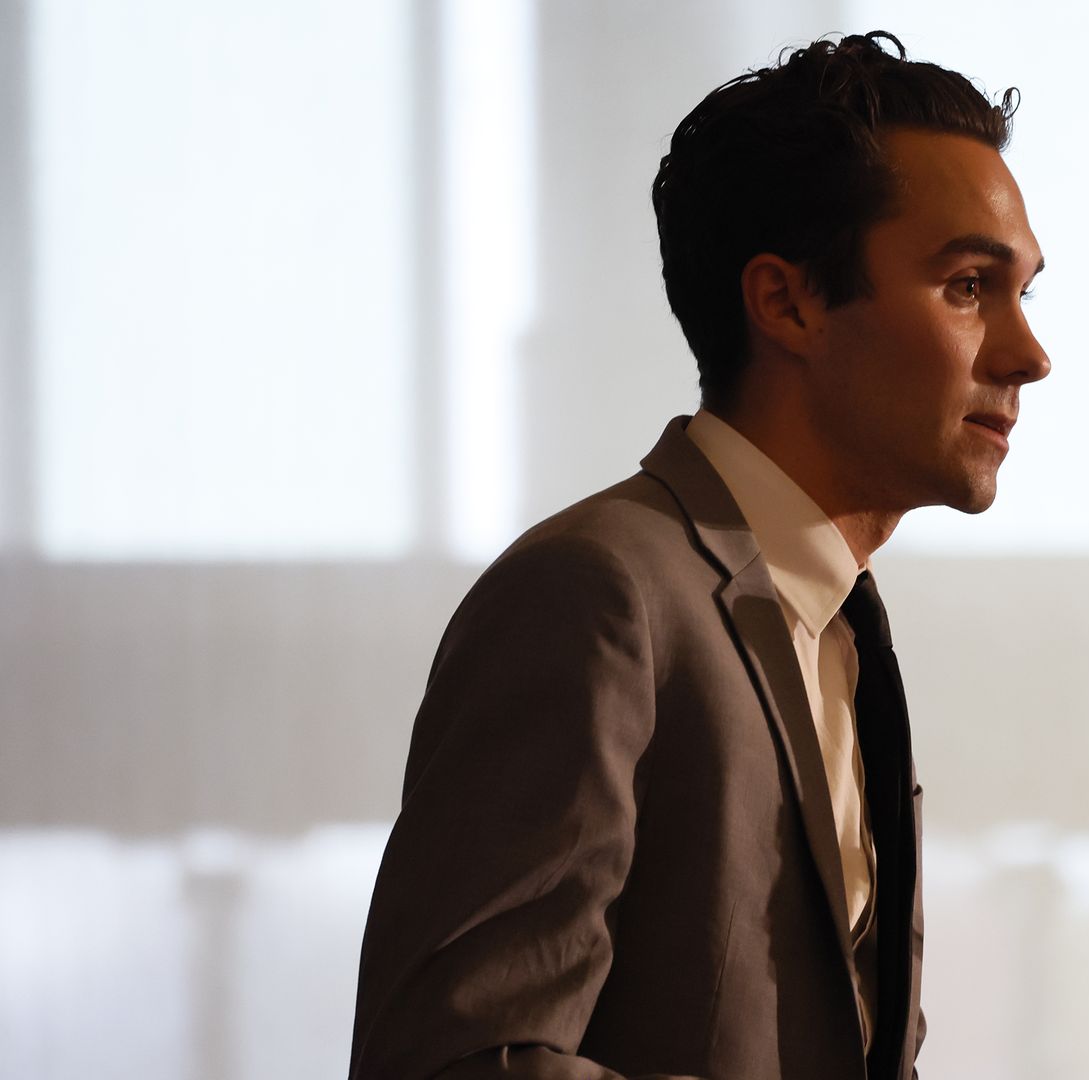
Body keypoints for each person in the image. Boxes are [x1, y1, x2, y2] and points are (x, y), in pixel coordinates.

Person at [348, 30, 1050, 1080]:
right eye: (965, 286)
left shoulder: (841, 625)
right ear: (787, 301)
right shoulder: (599, 594)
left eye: (1023, 292)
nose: (1028, 355)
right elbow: (457, 1061)